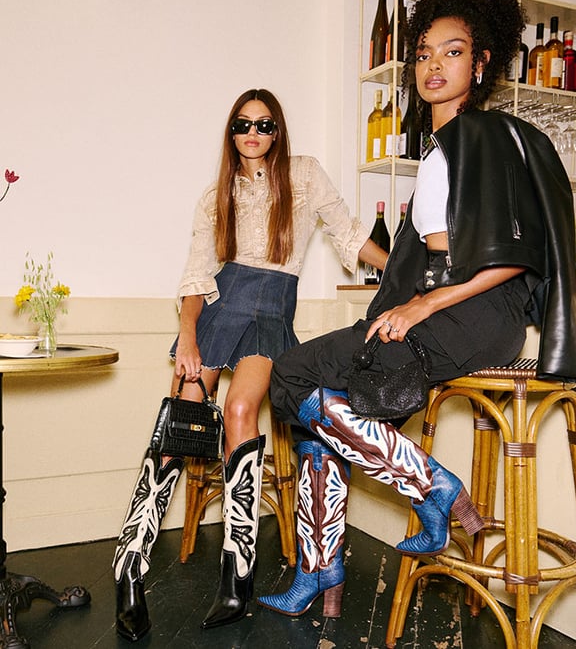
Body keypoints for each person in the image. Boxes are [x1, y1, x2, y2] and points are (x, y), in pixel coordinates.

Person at [257, 0, 576, 619]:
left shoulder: (483, 134)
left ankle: (434, 487)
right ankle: (320, 575)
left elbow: (516, 256)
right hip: (447, 311)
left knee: (292, 373)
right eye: (425, 53)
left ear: (481, 63)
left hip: (473, 315)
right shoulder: (442, 146)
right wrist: (405, 299)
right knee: (317, 409)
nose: (434, 65)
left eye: (453, 52)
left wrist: (423, 306)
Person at [111, 88, 388, 641]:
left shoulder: (304, 175)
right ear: (231, 132)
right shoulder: (216, 195)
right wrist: (187, 339)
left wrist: (407, 274)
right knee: (180, 427)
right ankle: (130, 572)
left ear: (277, 130)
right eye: (242, 125)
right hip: (218, 310)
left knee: (241, 410)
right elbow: (197, 275)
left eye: (264, 124)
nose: (253, 134)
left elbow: (349, 232)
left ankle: (236, 577)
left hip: (270, 314)